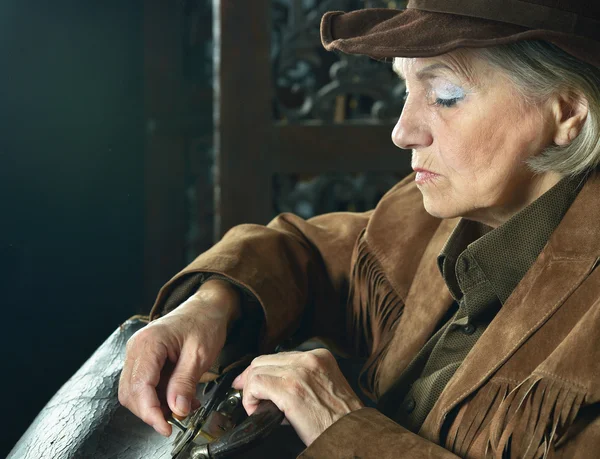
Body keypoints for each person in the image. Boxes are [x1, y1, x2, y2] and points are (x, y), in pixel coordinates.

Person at [119, 1, 600, 457]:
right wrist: (211, 304)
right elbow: (314, 251)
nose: (402, 131)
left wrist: (340, 429)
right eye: (405, 90)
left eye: (445, 96)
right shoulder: (436, 206)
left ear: (567, 113)